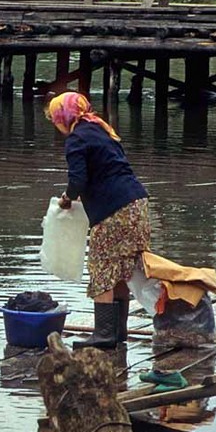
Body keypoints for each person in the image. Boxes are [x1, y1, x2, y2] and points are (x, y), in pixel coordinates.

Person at [45, 91, 150, 350]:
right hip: (137, 205)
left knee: (102, 267)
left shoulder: (76, 139)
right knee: (122, 269)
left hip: (115, 211)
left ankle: (103, 333)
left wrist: (67, 199)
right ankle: (118, 332)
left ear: (63, 117)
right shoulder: (100, 129)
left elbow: (78, 180)